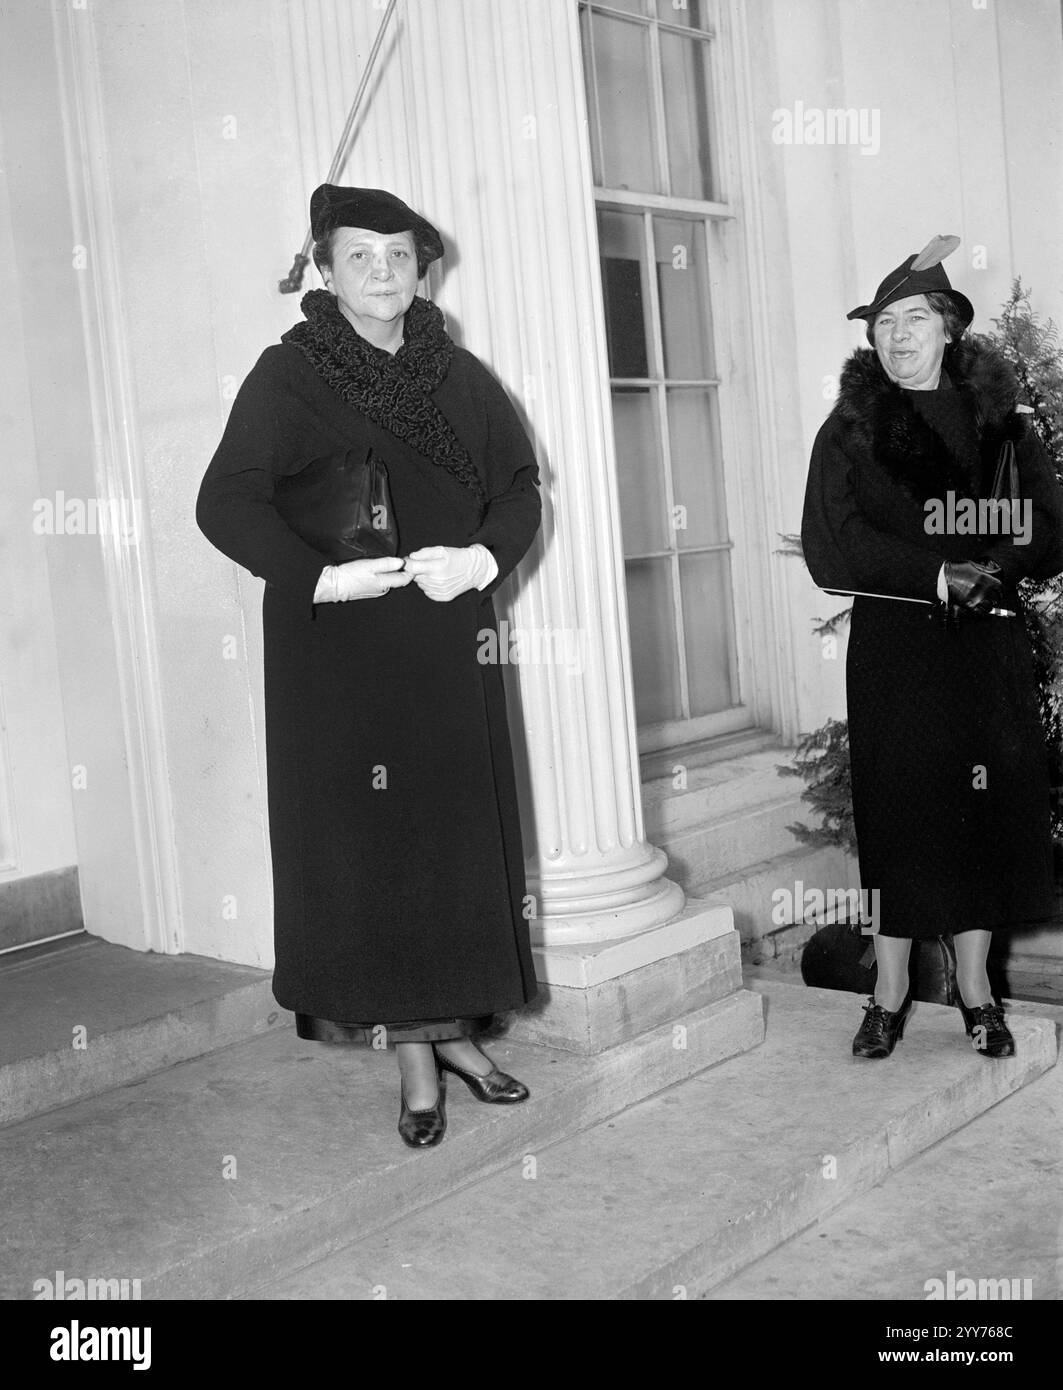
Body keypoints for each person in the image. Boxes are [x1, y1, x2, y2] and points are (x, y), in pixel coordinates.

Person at [197, 184, 542, 1146]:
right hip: (340, 660)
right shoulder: (289, 373)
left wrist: (481, 559)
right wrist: (316, 579)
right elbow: (224, 504)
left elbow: (519, 488)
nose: (382, 272)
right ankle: (416, 1063)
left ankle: (461, 1035)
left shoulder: (462, 376)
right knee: (381, 851)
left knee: (454, 846)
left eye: (398, 254)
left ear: (421, 267)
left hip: (445, 644)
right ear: (324, 269)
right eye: (359, 256)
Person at [801, 236, 1063, 1060]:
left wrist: (994, 568)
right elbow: (829, 546)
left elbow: (1045, 527)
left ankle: (978, 993)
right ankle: (887, 995)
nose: (897, 335)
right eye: (882, 323)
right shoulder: (847, 431)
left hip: (984, 649)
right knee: (902, 818)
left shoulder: (1003, 427)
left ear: (948, 327)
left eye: (913, 318)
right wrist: (935, 573)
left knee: (980, 820)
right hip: (896, 650)